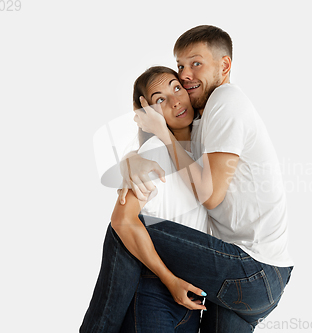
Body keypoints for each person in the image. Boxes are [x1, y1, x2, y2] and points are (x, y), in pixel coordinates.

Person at [83, 25, 294, 333]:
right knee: (127, 223)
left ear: (224, 66)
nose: (185, 77)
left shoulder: (224, 100)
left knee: (126, 228)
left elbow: (209, 194)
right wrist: (133, 156)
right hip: (254, 276)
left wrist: (159, 137)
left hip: (250, 267)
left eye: (196, 64)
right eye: (181, 67)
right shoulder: (198, 132)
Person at [81, 66, 206, 333]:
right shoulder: (155, 150)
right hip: (156, 292)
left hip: (191, 300)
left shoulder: (204, 148)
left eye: (176, 87)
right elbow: (121, 222)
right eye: (160, 99)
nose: (175, 101)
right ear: (147, 115)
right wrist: (170, 280)